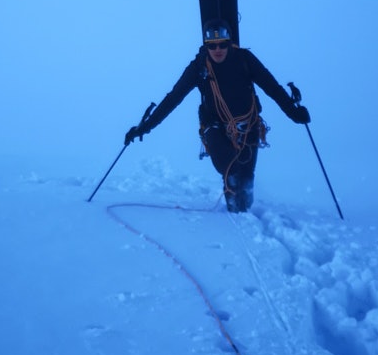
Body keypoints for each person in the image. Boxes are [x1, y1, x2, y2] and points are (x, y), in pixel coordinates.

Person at [124, 20, 310, 212]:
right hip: (215, 127)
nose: (217, 49)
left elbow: (272, 87)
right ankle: (234, 214)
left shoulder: (244, 59)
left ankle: (244, 210)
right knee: (231, 170)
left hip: (248, 126)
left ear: (229, 43)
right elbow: (173, 98)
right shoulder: (199, 68)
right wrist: (145, 127)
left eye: (222, 44)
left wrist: (294, 112)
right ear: (206, 46)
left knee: (246, 179)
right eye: (212, 45)